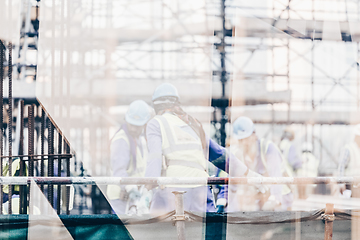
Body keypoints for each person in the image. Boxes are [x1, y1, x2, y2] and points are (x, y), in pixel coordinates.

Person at [145, 83, 260, 214]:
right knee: (206, 229)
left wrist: (148, 184)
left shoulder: (156, 123)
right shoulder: (192, 123)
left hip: (175, 188)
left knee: (160, 227)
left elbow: (155, 157)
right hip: (201, 187)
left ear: (156, 106)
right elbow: (219, 155)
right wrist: (248, 174)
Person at [230, 116, 293, 211]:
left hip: (281, 194)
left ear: (254, 135)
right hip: (261, 197)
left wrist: (274, 198)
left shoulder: (268, 148)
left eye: (246, 138)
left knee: (276, 220)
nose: (243, 143)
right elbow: (232, 184)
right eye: (240, 140)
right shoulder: (238, 154)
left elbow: (276, 177)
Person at [107, 100, 152, 215]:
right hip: (122, 196)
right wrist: (131, 189)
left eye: (137, 126)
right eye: (131, 124)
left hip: (134, 195)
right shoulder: (122, 140)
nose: (133, 128)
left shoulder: (139, 140)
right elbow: (119, 171)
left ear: (145, 124)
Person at [337, 124, 360, 198]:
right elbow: (341, 166)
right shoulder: (349, 148)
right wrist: (341, 183)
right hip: (350, 184)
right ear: (357, 137)